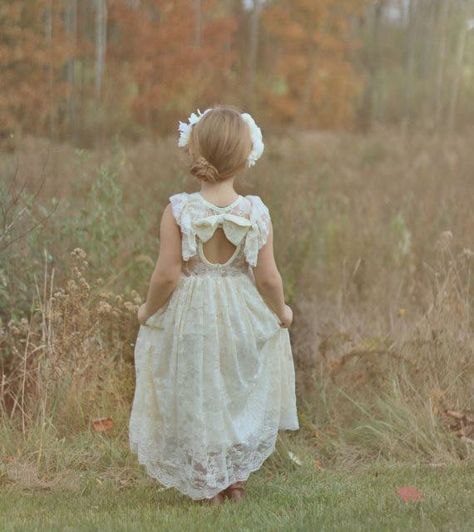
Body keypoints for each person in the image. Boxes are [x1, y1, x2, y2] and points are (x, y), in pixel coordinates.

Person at [129, 105, 299, 505]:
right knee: (233, 388)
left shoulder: (179, 211)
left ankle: (207, 477)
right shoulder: (255, 213)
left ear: (195, 151)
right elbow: (268, 277)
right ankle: (232, 480)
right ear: (245, 157)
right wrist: (281, 311)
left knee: (197, 389)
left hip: (193, 315)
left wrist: (147, 310)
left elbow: (167, 275)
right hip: (240, 314)